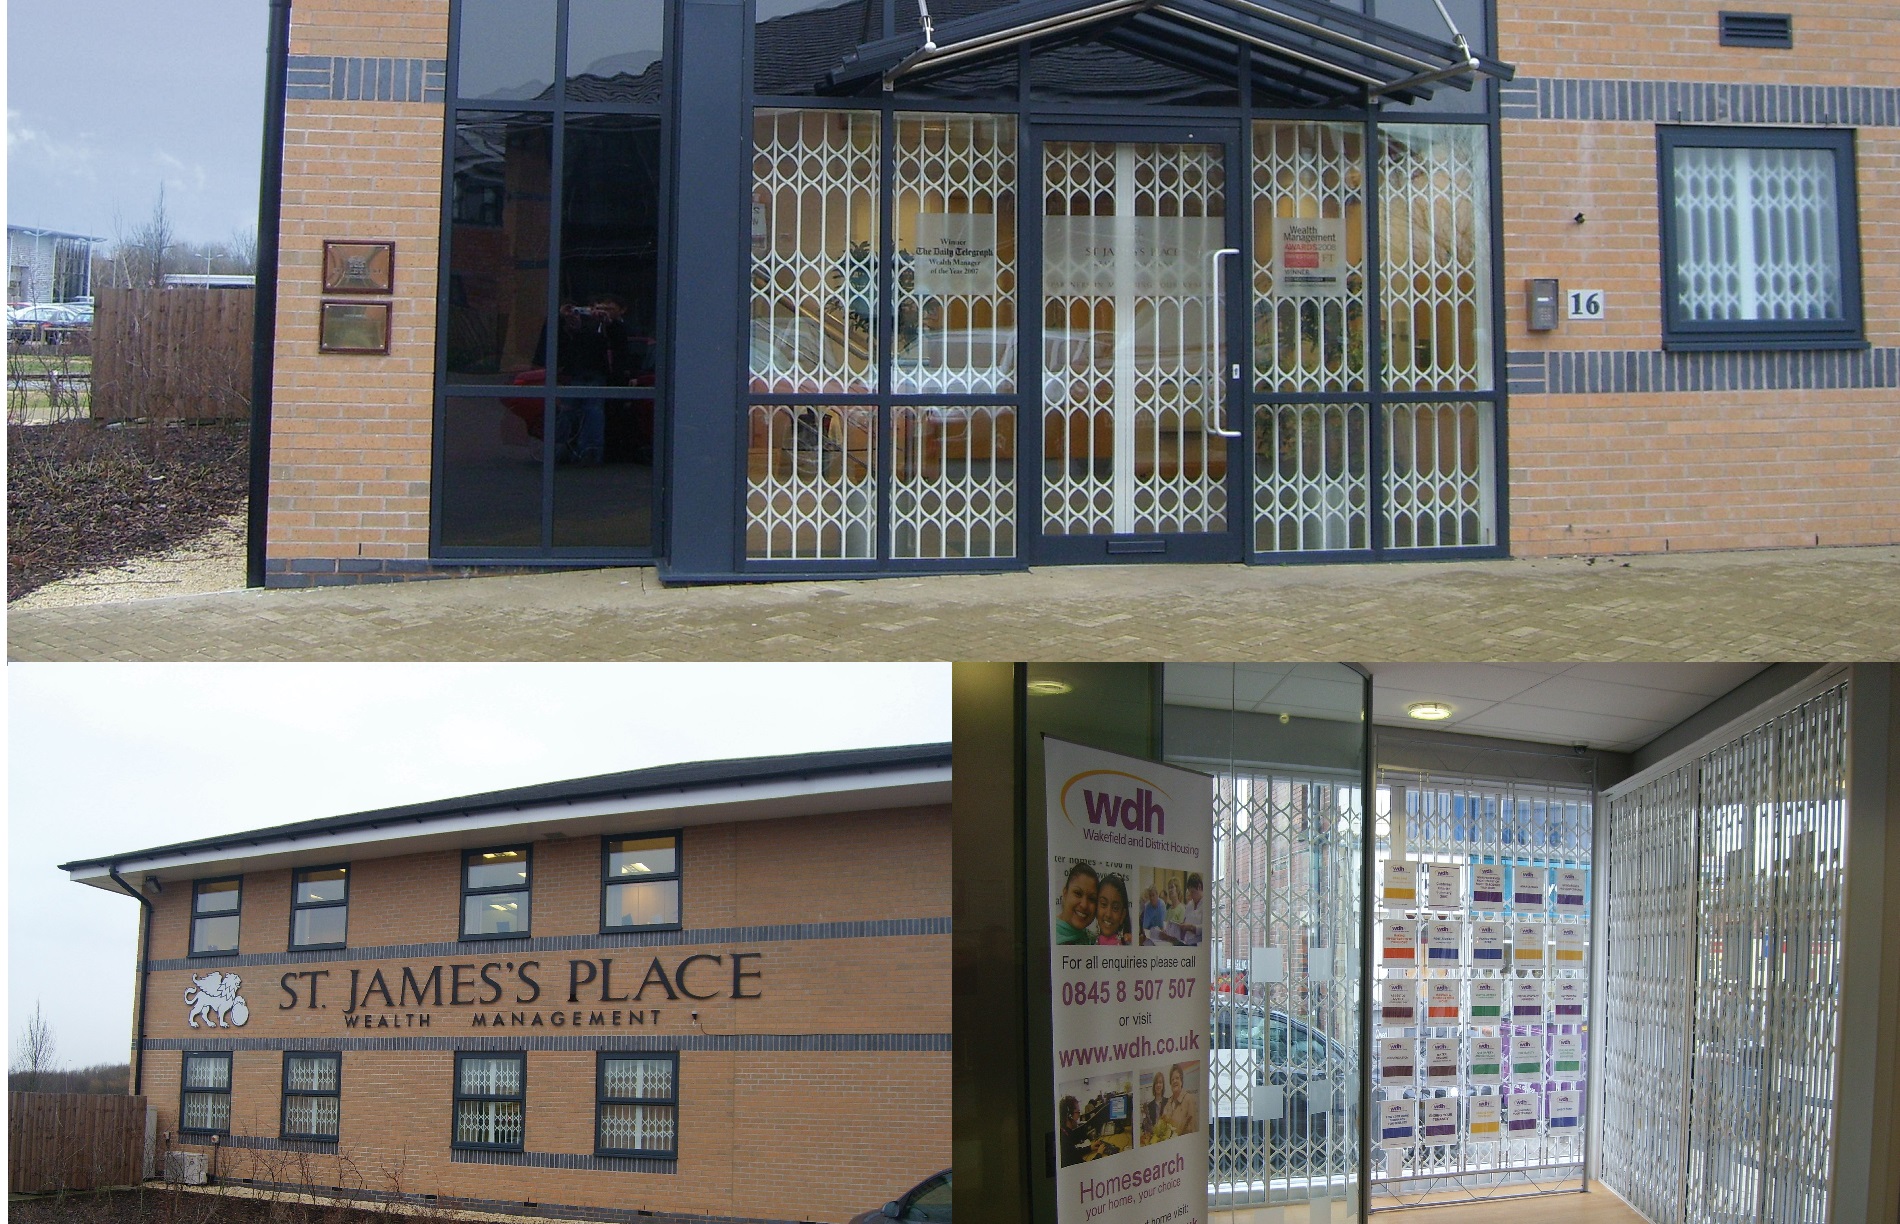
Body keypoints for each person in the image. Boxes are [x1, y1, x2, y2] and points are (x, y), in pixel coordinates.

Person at [1055, 862, 1099, 945]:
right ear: (1065, 893)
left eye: (1091, 898)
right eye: (1078, 893)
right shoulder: (1046, 935)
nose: (1084, 905)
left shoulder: (1094, 941)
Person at [1094, 875, 1131, 945]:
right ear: (1096, 907)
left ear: (1122, 915)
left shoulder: (1128, 946)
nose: (1108, 914)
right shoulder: (1087, 941)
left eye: (1115, 908)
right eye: (1104, 904)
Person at [1164, 1063, 1199, 1137]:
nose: (1174, 1081)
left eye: (1177, 1078)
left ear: (1181, 1081)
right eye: (1172, 1079)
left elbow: (1193, 1129)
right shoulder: (1168, 1103)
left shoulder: (1189, 1099)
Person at [1141, 1071, 1174, 1145]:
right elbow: (1144, 1127)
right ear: (1154, 1085)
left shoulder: (1168, 1102)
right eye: (1156, 1083)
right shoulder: (1148, 1106)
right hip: (1153, 1141)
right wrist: (1144, 1117)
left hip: (1166, 1140)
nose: (1158, 1085)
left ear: (1163, 1085)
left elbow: (1171, 1122)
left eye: (1160, 1082)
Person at [1178, 873, 1205, 946]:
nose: (1191, 895)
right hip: (1187, 942)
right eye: (1190, 892)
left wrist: (1191, 927)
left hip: (1198, 944)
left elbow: (1206, 928)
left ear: (1199, 887)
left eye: (1193, 892)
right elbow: (1184, 920)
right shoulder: (1189, 905)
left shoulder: (1206, 905)